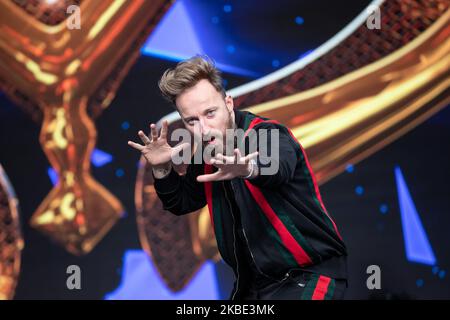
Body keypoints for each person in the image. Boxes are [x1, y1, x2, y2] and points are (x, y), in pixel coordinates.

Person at [128, 55, 348, 300]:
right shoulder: (204, 151)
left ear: (229, 104)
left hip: (307, 274)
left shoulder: (268, 133)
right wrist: (161, 169)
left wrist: (247, 168)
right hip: (252, 286)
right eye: (192, 120)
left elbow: (278, 168)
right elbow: (182, 202)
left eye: (210, 113)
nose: (203, 128)